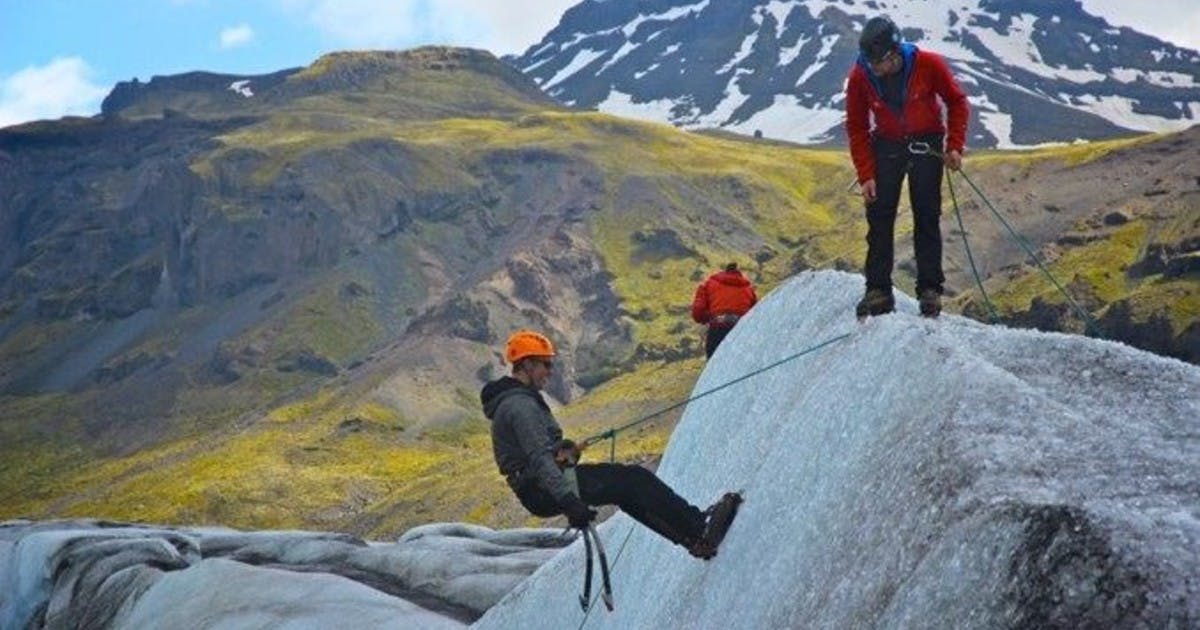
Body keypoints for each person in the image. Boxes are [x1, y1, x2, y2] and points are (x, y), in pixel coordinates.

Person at [481, 330, 740, 560]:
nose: (550, 371)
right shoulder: (521, 406)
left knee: (626, 490)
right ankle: (698, 528)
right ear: (526, 365)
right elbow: (539, 459)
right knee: (634, 480)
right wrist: (570, 501)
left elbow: (538, 456)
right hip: (543, 487)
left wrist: (565, 451)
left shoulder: (517, 401)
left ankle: (694, 538)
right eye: (545, 365)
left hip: (539, 488)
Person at [844, 16, 969, 318]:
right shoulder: (861, 75)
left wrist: (954, 145)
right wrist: (866, 175)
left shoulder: (928, 64)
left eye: (881, 61)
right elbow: (857, 126)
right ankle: (878, 291)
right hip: (886, 144)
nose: (876, 68)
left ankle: (930, 290)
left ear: (895, 51)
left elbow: (957, 101)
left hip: (926, 142)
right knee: (879, 216)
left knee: (926, 213)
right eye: (871, 62)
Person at [691, 262, 757, 358]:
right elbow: (756, 314)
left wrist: (711, 316)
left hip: (718, 328)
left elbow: (697, 313)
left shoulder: (708, 284)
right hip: (741, 330)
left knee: (714, 365)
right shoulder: (748, 289)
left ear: (725, 271)